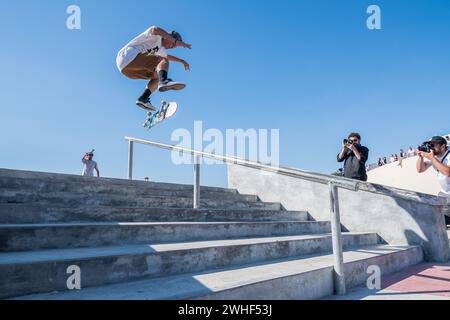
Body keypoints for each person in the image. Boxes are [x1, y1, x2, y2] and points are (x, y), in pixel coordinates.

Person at [116, 26, 192, 112]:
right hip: (128, 56)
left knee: (157, 77)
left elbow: (167, 56)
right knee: (163, 60)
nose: (172, 47)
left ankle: (143, 98)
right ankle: (164, 81)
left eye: (174, 46)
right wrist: (176, 41)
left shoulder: (160, 49)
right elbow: (154, 29)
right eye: (173, 44)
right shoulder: (155, 36)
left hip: (126, 70)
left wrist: (182, 61)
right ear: (167, 37)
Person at [416, 136, 450, 225]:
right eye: (429, 145)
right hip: (445, 194)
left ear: (443, 146)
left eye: (432, 145)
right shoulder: (434, 157)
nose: (430, 148)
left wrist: (432, 158)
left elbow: (448, 172)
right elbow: (420, 169)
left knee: (442, 222)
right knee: (439, 221)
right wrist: (421, 157)